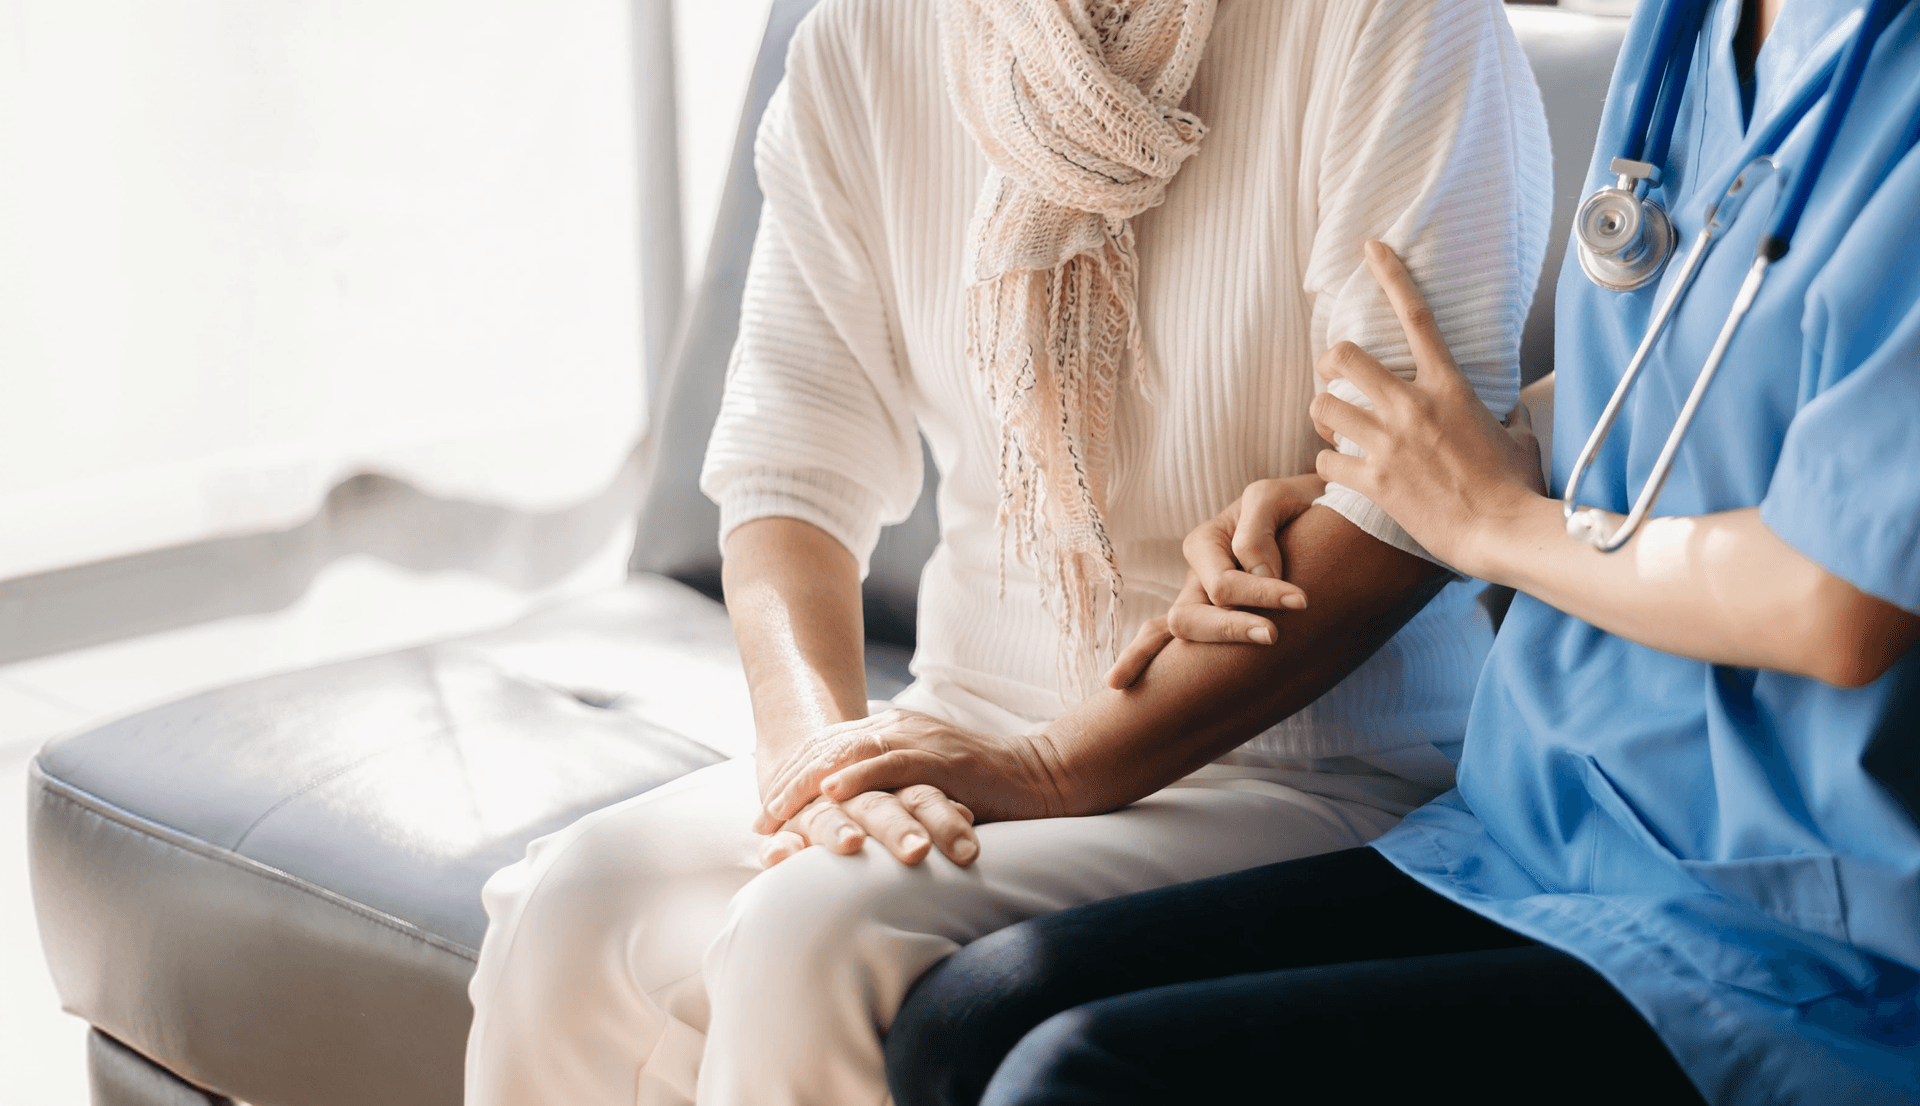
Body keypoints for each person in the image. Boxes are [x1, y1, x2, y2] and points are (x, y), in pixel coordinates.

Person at [462, 0, 1556, 1103]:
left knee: (817, 939)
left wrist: (1052, 767)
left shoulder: (1401, 22)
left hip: (1307, 761)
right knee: (570, 912)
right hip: (966, 715)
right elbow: (788, 473)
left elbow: (1409, 504)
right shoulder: (864, 36)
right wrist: (823, 770)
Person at [877, 1, 1920, 1104]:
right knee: (964, 1018)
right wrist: (1442, 462)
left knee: (1081, 1075)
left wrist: (1490, 523)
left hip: (1805, 921)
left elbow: (1837, 596)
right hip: (1551, 825)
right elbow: (1688, 368)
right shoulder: (1693, 29)